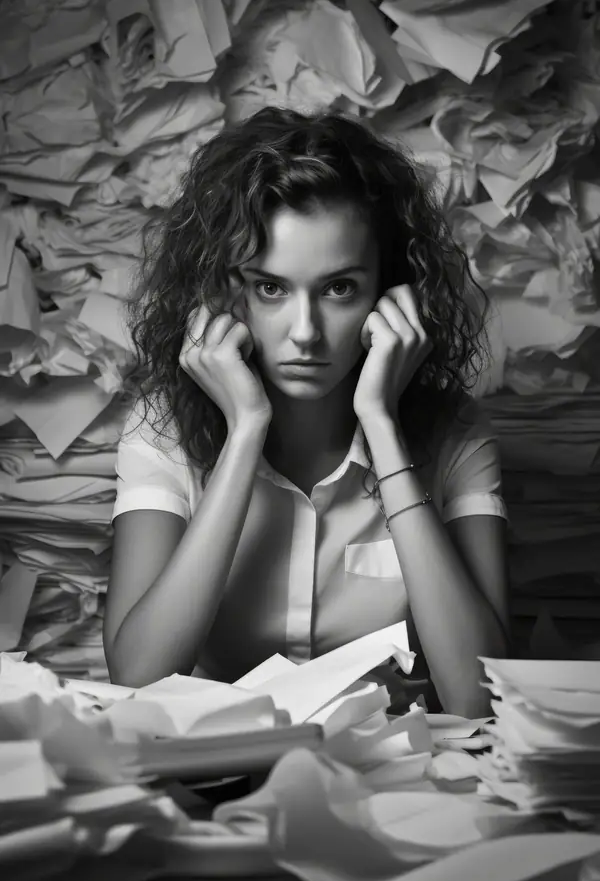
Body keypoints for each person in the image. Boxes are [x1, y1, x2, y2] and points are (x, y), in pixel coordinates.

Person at [104, 107, 511, 717]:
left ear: (391, 293)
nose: (304, 333)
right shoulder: (161, 429)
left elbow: (479, 701)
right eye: (271, 288)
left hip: (399, 787)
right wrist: (245, 435)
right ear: (226, 292)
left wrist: (382, 426)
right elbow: (136, 676)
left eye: (339, 288)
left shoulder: (456, 439)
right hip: (220, 784)